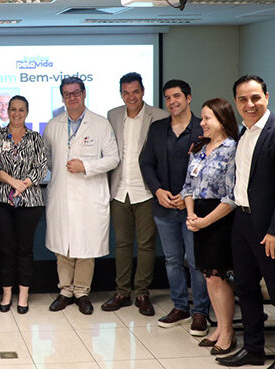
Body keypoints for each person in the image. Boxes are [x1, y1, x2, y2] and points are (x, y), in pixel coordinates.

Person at [217, 75, 275, 369]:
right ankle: (253, 349)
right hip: (243, 223)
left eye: (255, 98)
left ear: (267, 97)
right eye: (243, 99)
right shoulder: (242, 134)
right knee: (245, 288)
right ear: (236, 102)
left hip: (270, 228)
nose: (250, 104)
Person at [43, 77, 119, 315]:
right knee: (62, 246)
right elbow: (47, 157)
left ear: (84, 94)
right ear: (62, 97)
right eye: (67, 94)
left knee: (86, 246)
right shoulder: (53, 124)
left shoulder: (100, 124)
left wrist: (85, 166)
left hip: (89, 193)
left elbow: (113, 158)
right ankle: (65, 291)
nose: (72, 98)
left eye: (76, 93)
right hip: (61, 193)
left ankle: (82, 292)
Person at [140, 79, 210, 337]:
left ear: (189, 98)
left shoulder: (202, 128)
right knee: (171, 260)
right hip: (164, 206)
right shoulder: (158, 128)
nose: (172, 101)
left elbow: (208, 168)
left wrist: (187, 195)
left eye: (177, 96)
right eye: (168, 97)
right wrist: (157, 190)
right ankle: (180, 307)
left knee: (195, 260)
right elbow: (146, 163)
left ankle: (200, 311)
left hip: (195, 208)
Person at [103, 72, 169, 316]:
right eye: (126, 92)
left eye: (135, 91)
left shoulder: (160, 116)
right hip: (119, 189)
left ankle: (142, 292)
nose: (131, 97)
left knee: (146, 244)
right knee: (121, 244)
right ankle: (122, 291)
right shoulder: (113, 115)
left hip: (147, 191)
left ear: (143, 92)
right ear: (121, 94)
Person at [180, 98, 238, 356]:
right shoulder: (199, 149)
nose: (201, 123)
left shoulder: (232, 149)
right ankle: (219, 328)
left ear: (222, 120)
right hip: (198, 217)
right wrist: (192, 216)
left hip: (220, 218)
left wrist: (205, 221)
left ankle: (227, 332)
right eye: (202, 118)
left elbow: (231, 196)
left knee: (217, 276)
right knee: (207, 275)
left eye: (206, 119)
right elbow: (188, 187)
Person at [0, 95, 48, 314]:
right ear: (7, 111)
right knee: (5, 248)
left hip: (30, 201)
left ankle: (23, 294)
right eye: (12, 109)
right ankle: (6, 293)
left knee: (25, 249)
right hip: (0, 199)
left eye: (21, 110)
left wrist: (25, 184)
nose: (16, 113)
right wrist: (13, 182)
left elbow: (42, 167)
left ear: (27, 112)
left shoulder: (35, 138)